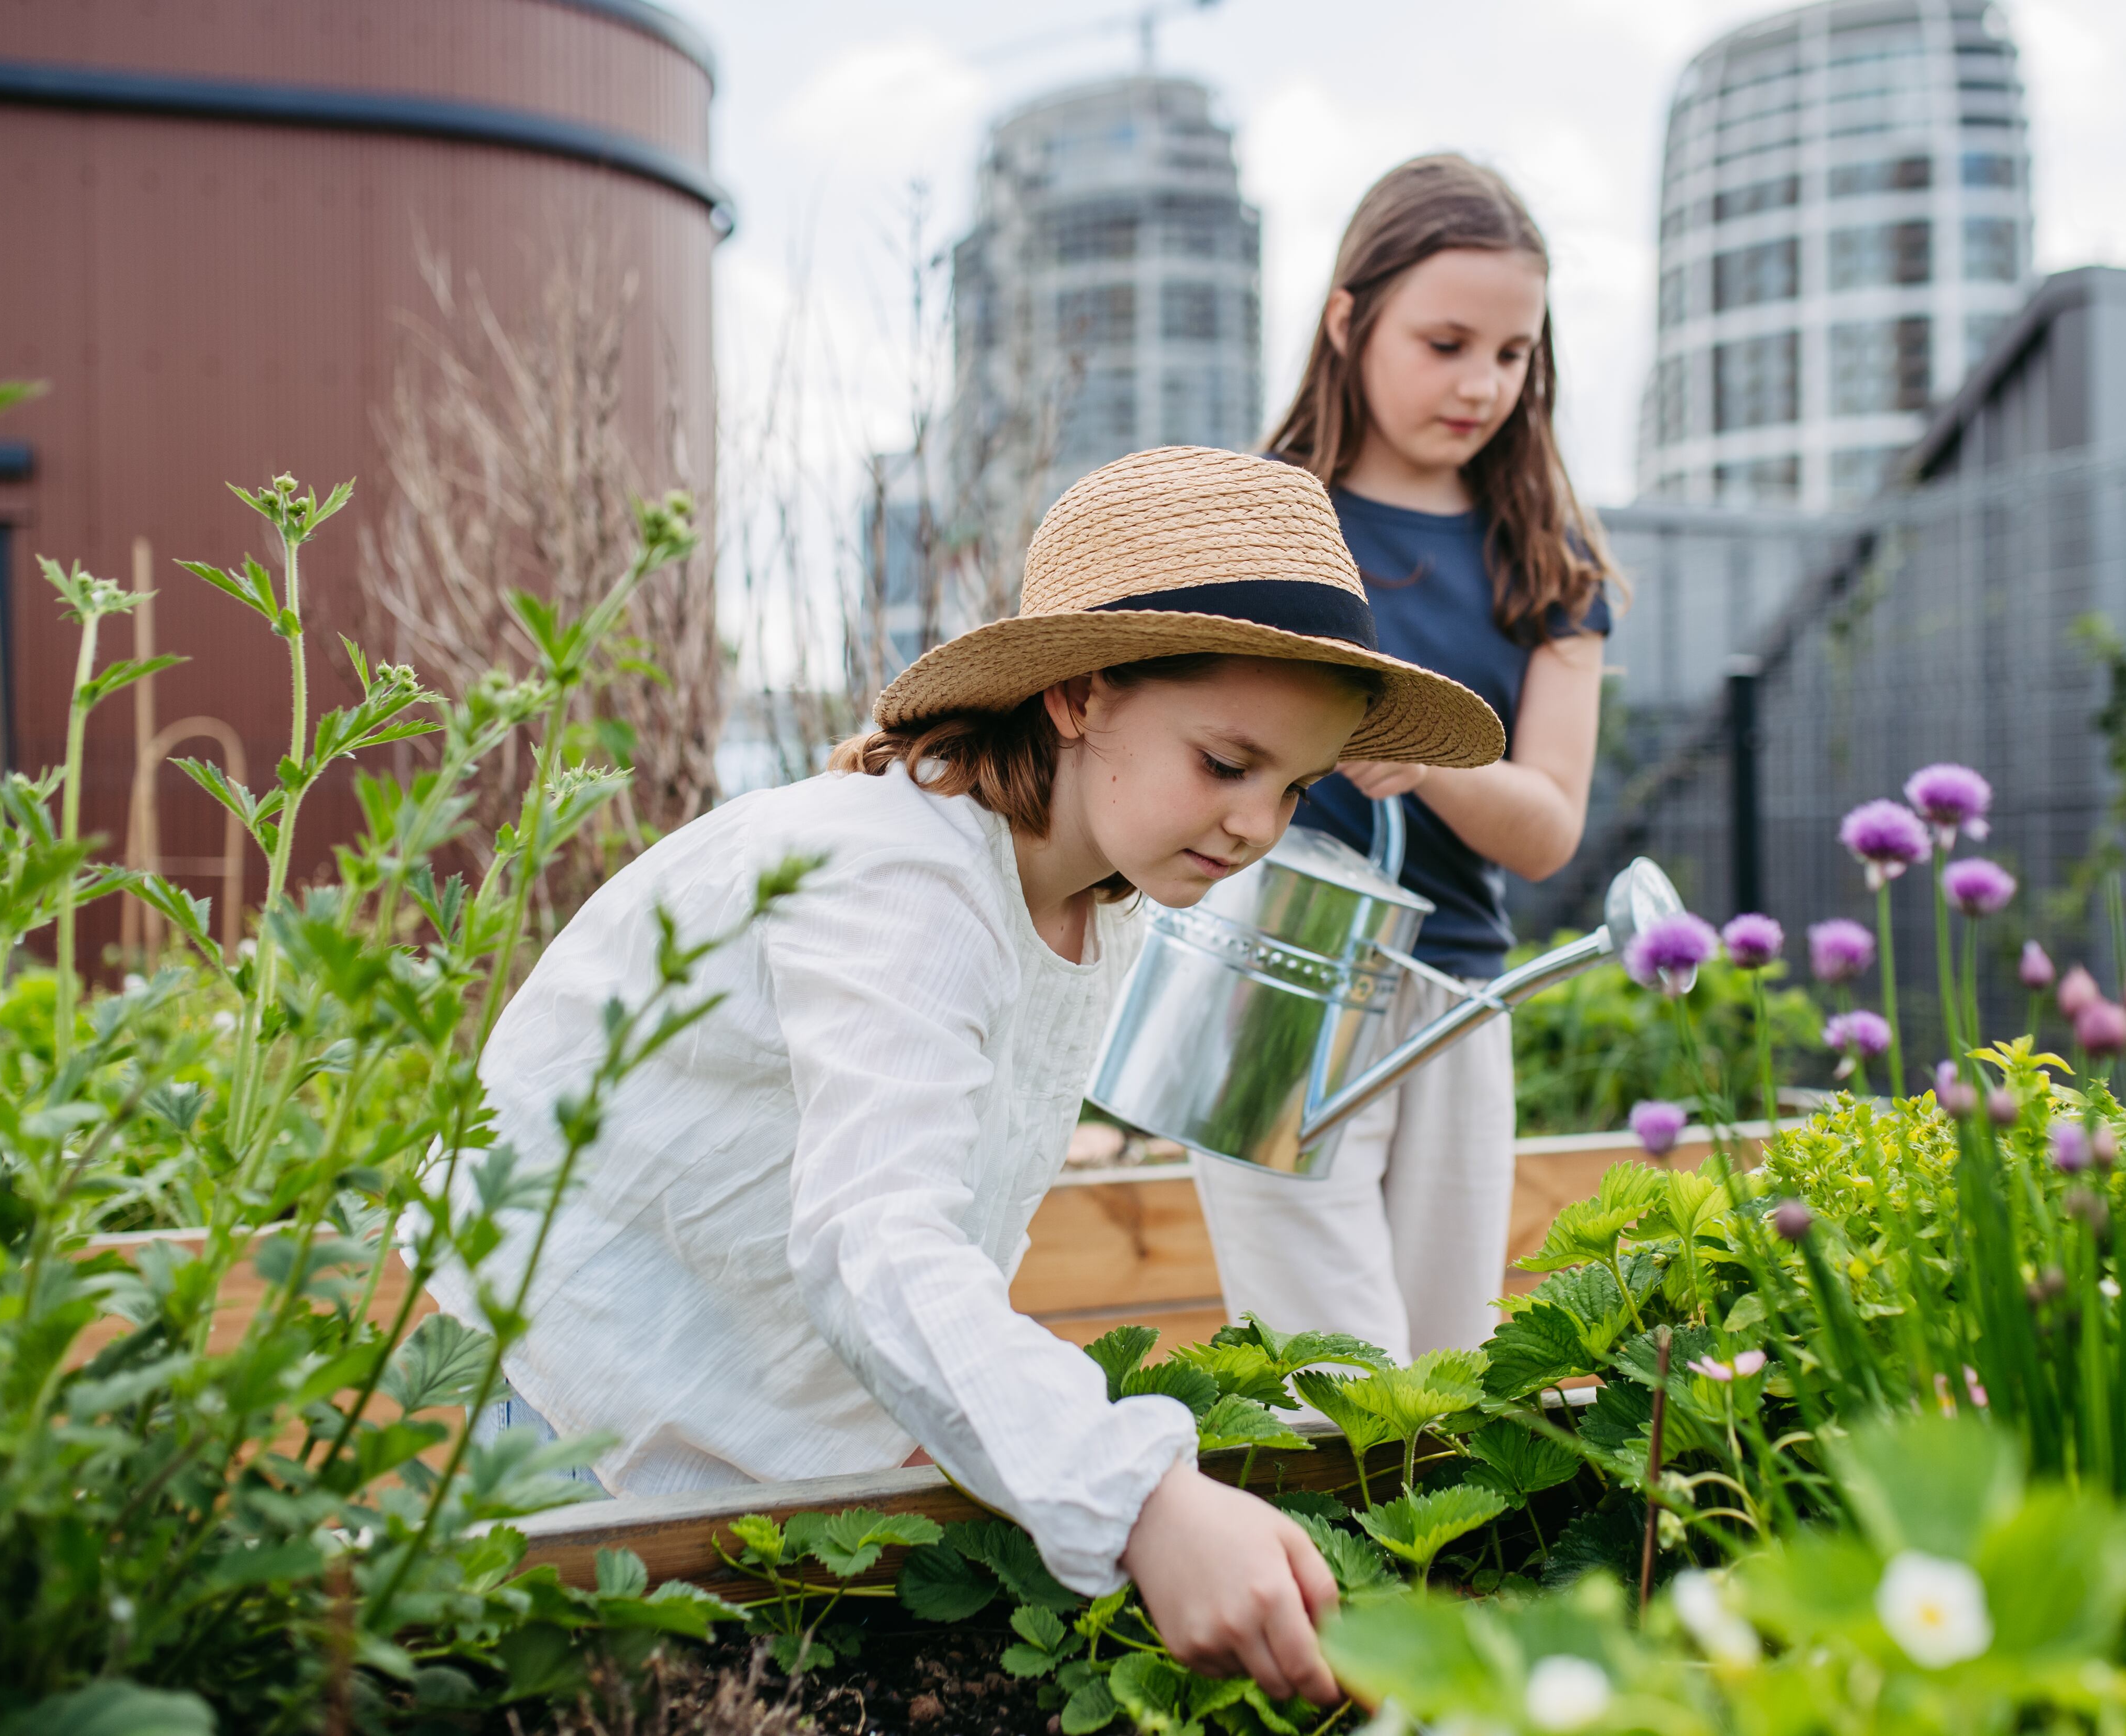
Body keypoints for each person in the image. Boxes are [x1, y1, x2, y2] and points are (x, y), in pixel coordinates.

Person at [424, 446, 1503, 1702]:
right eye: (1226, 763)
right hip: (581, 1387)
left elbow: (957, 1199)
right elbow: (875, 1238)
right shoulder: (901, 874)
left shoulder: (1095, 904)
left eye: (1296, 785)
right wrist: (1145, 1496)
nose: (1259, 824)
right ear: (1082, 695)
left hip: (762, 1403)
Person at [1192, 155, 1622, 1366]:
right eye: (1445, 343)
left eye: (1512, 353)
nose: (1481, 383)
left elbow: (1545, 826)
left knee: (1441, 1378)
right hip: (1266, 978)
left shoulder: (1551, 567)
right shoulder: (1258, 519)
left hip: (1456, 999)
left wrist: (1420, 753)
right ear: (1348, 319)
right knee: (1327, 1382)